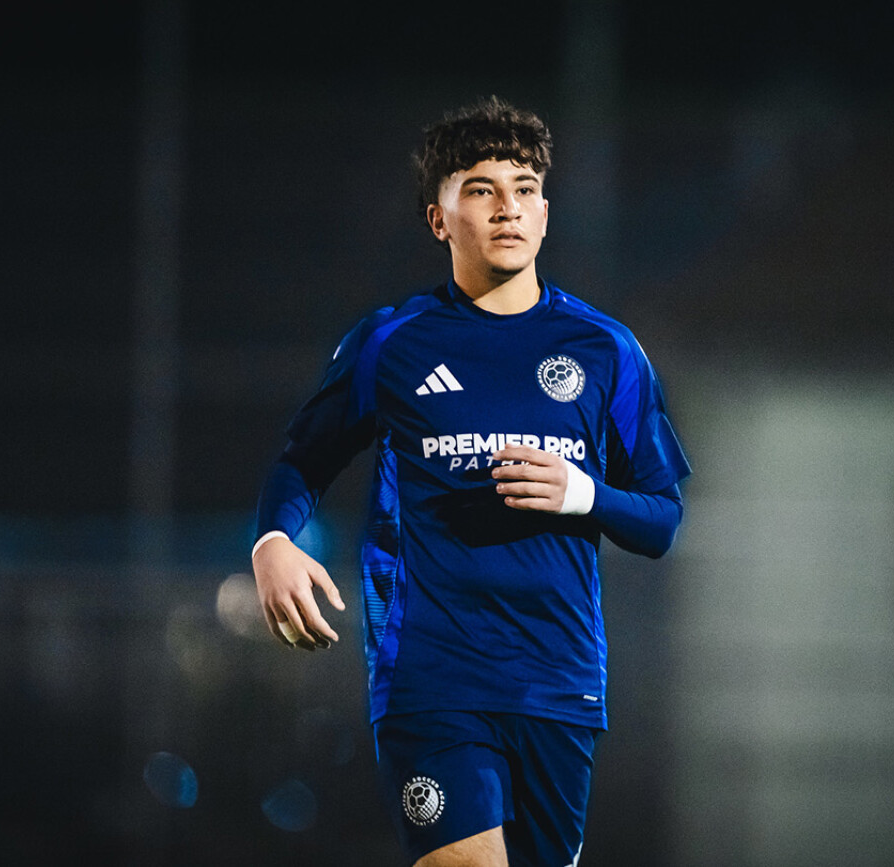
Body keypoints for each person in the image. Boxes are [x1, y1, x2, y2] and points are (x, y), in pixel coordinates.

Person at [251, 95, 690, 867]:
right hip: (432, 675)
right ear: (439, 218)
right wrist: (273, 540)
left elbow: (660, 517)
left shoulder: (606, 351)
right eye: (481, 190)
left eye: (524, 188)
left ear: (547, 212)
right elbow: (302, 458)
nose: (507, 208)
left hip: (558, 683)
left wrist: (581, 492)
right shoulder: (392, 343)